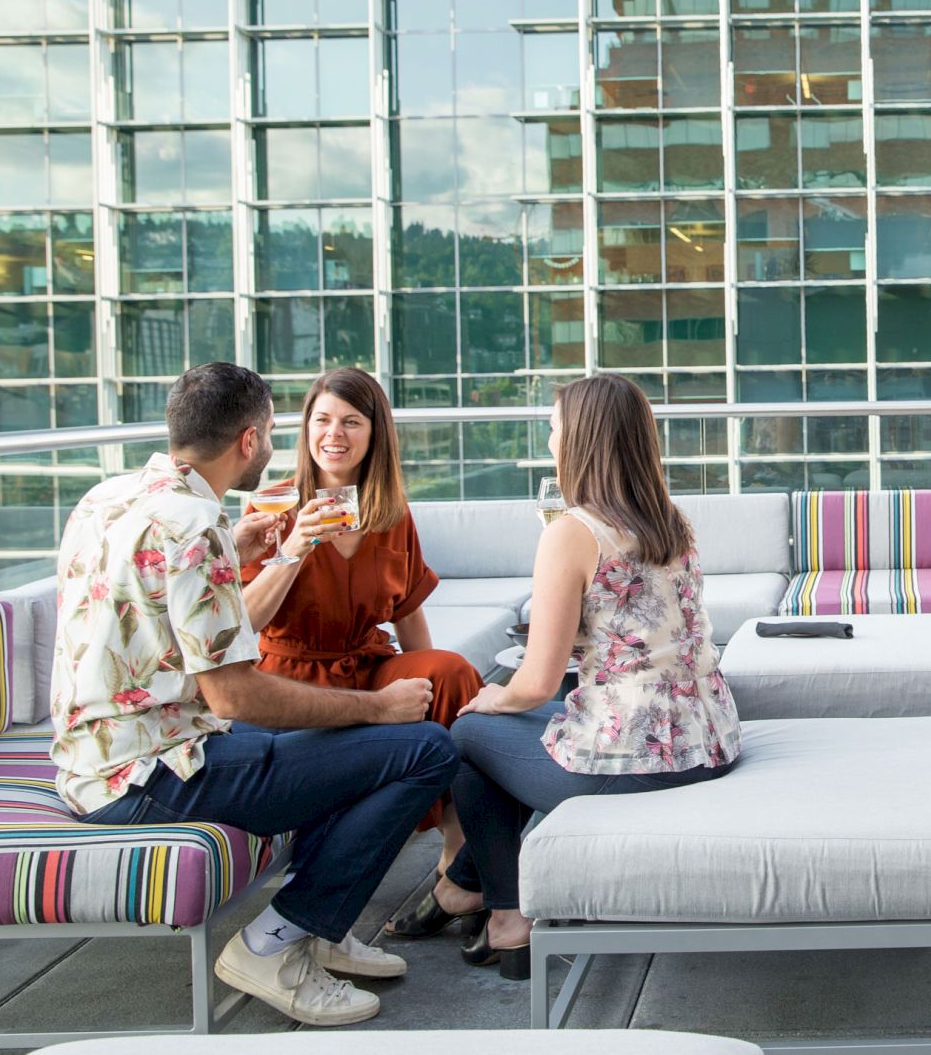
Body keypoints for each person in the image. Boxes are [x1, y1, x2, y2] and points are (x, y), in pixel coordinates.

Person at [48, 362, 457, 1028]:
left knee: (342, 744)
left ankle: (318, 928)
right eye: (271, 430)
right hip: (153, 773)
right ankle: (274, 941)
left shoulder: (111, 496)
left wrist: (234, 551)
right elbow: (234, 695)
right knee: (423, 748)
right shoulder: (192, 529)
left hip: (109, 755)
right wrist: (375, 706)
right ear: (249, 440)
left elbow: (162, 622)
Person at [402, 374, 740, 979]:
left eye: (555, 430)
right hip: (709, 742)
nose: (551, 441)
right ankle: (465, 887)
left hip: (640, 764)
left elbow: (536, 680)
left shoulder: (572, 533)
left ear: (581, 440)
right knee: (511, 726)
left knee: (467, 732)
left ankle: (505, 914)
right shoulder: (671, 520)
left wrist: (493, 696)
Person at [240, 367, 484, 896]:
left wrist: (438, 690)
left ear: (375, 434)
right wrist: (295, 546)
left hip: (366, 664)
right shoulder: (271, 508)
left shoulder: (390, 513)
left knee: (451, 672)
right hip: (292, 674)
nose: (335, 434)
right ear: (305, 429)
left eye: (352, 421)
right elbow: (244, 623)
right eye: (322, 419)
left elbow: (409, 611)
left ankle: (458, 858)